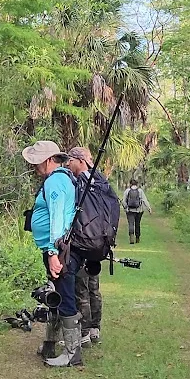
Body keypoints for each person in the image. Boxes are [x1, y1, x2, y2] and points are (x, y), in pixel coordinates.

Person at [21, 140, 83, 367]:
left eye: (37, 162)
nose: (34, 167)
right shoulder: (63, 179)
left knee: (65, 297)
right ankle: (51, 344)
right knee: (56, 296)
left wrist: (52, 252)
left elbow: (57, 218)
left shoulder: (55, 181)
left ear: (48, 160)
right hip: (63, 249)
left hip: (61, 250)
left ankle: (72, 353)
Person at [65, 147, 107, 345]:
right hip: (98, 243)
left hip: (83, 243)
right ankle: (94, 328)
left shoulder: (80, 183)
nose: (67, 164)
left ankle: (84, 332)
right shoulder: (99, 181)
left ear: (80, 160)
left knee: (81, 289)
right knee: (93, 287)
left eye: (70, 160)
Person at [123, 179, 152, 244]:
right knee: (137, 224)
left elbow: (124, 201)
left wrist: (125, 207)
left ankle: (131, 236)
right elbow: (144, 200)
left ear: (130, 184)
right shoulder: (140, 191)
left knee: (131, 223)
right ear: (137, 184)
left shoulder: (127, 191)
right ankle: (137, 238)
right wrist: (149, 208)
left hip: (129, 210)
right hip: (139, 211)